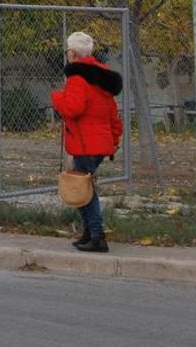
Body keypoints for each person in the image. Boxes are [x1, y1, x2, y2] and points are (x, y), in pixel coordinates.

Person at [50, 31, 123, 253]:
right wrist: (115, 138)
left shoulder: (77, 78)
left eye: (67, 51)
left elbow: (73, 108)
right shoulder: (101, 78)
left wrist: (56, 97)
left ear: (72, 53)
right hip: (100, 143)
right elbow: (112, 113)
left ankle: (97, 235)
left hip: (84, 144)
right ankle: (90, 233)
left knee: (83, 190)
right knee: (84, 187)